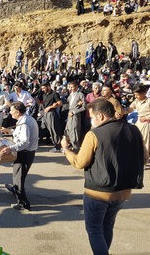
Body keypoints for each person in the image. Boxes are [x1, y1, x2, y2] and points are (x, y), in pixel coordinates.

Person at [61, 98, 145, 255]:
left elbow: (79, 162)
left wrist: (66, 150)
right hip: (123, 191)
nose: (91, 120)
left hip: (98, 192)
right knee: (107, 226)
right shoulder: (134, 130)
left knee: (94, 230)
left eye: (92, 116)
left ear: (99, 116)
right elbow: (144, 157)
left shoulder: (94, 134)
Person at [0, 102, 39, 211]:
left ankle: (23, 203)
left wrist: (9, 149)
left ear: (17, 112)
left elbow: (25, 142)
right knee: (18, 176)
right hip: (25, 152)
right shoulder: (25, 119)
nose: (10, 113)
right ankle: (16, 190)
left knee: (18, 178)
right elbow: (20, 133)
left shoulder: (25, 122)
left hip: (25, 153)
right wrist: (9, 131)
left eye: (11, 111)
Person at [39, 82, 63, 152]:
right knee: (51, 131)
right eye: (42, 88)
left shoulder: (54, 94)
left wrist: (51, 106)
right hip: (46, 114)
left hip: (52, 114)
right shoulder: (44, 95)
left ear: (48, 87)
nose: (43, 89)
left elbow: (60, 103)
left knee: (55, 130)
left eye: (44, 88)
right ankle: (56, 146)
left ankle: (58, 147)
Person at [128, 85, 150, 157]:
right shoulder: (136, 101)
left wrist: (147, 117)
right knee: (138, 141)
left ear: (143, 93)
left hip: (146, 125)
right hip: (138, 123)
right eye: (135, 95)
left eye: (137, 95)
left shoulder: (148, 101)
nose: (136, 97)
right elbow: (129, 109)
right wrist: (120, 112)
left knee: (145, 144)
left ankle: (144, 160)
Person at [64, 81, 86, 151]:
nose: (71, 88)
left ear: (76, 87)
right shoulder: (70, 95)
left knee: (74, 132)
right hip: (69, 115)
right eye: (70, 87)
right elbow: (68, 105)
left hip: (75, 115)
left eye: (72, 87)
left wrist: (74, 111)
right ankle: (71, 146)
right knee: (68, 131)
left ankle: (76, 149)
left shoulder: (80, 94)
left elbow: (84, 107)